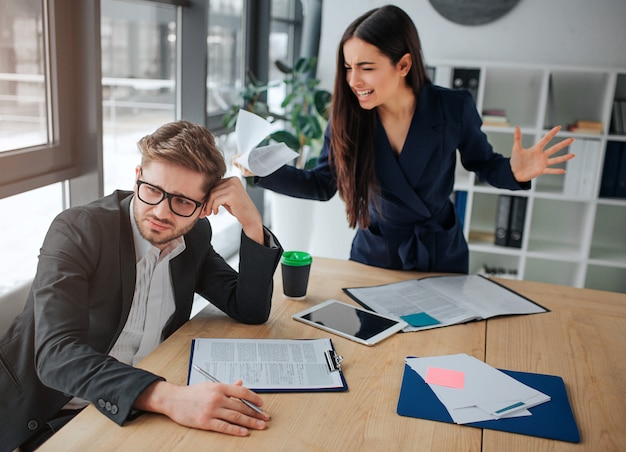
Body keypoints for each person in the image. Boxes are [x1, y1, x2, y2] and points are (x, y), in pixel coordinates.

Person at [0, 120, 283, 452]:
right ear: (138, 175)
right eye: (151, 190)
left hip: (137, 409)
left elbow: (248, 309)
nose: (161, 212)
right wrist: (169, 397)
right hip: (48, 419)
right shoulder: (78, 230)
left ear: (205, 207)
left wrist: (251, 222)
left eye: (182, 201)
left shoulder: (193, 237)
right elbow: (55, 355)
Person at [241, 4, 574, 273]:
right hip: (376, 255)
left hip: (441, 253)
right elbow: (321, 184)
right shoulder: (347, 117)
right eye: (347, 67)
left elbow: (483, 163)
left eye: (366, 67)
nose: (353, 80)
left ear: (403, 65)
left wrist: (514, 171)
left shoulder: (452, 108)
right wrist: (257, 168)